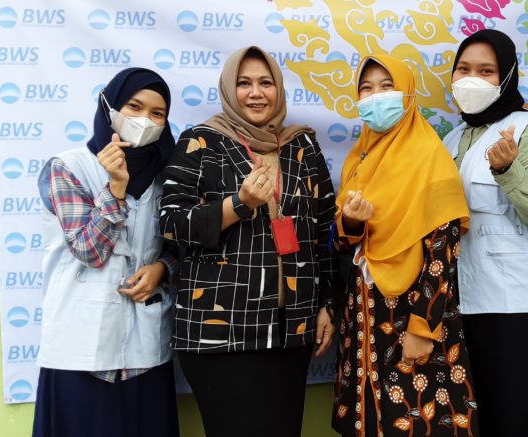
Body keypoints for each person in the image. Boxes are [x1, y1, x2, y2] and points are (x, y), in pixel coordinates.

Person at [159, 46, 337, 437]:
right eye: (244, 83)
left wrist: (326, 303)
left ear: (278, 89)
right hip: (220, 329)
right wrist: (238, 204)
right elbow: (171, 224)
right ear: (229, 89)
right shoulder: (201, 143)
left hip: (291, 330)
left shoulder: (302, 146)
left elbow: (324, 232)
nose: (256, 93)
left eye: (265, 82)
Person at [331, 54, 478, 437]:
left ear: (407, 94)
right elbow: (345, 242)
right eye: (366, 89)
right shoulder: (359, 159)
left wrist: (423, 328)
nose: (376, 96)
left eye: (387, 86)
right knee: (368, 417)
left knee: (417, 418)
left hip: (413, 313)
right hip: (364, 314)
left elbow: (443, 254)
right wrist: (352, 222)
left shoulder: (430, 158)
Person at [33, 68, 179, 437]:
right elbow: (89, 250)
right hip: (82, 349)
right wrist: (115, 189)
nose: (144, 120)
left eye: (157, 113)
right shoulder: (68, 167)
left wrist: (162, 268)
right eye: (134, 107)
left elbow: (179, 244)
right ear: (110, 107)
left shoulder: (166, 175)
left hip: (146, 349)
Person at [442, 28, 528, 436]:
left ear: (507, 76)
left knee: (515, 416)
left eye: (486, 71)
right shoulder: (451, 139)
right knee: (475, 418)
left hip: (516, 304)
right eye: (463, 69)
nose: (471, 79)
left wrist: (509, 170)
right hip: (461, 301)